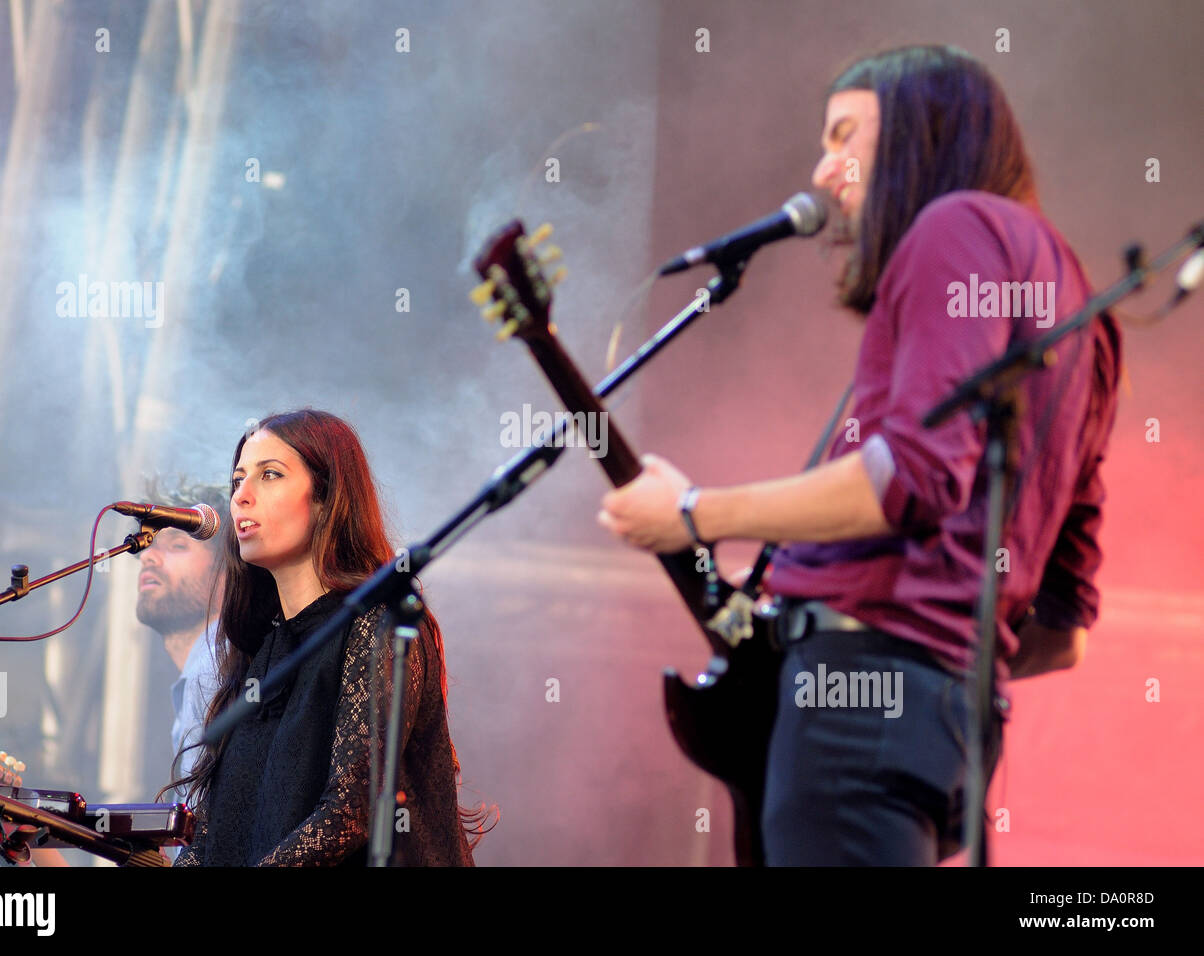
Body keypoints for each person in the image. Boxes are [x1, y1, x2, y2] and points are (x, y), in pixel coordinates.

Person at [597, 45, 1121, 865]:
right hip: (942, 727)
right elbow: (1063, 630)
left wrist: (694, 514)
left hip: (855, 714)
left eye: (845, 135)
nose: (821, 167)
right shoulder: (1085, 313)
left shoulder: (956, 225)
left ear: (921, 135)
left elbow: (908, 478)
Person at [169, 409, 480, 866]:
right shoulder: (259, 652)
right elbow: (214, 836)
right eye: (237, 480)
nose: (241, 497)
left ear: (326, 499)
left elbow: (351, 812)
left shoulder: (381, 623)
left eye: (269, 475)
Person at [135, 479, 229, 803]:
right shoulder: (202, 669)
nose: (150, 557)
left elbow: (201, 847)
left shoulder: (214, 666)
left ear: (228, 572)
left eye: (176, 545)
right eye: (149, 545)